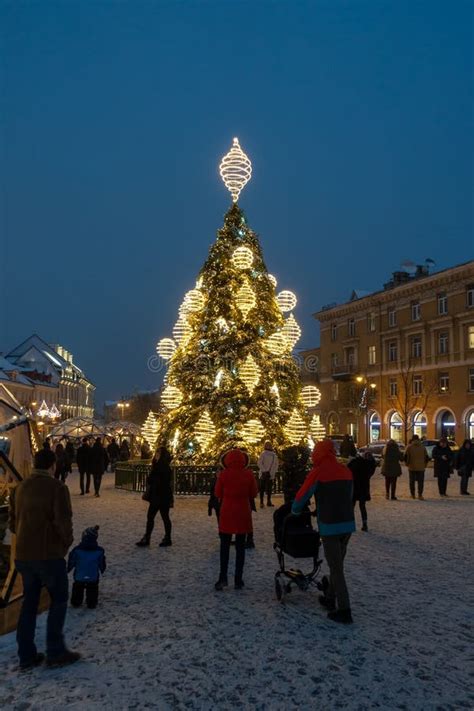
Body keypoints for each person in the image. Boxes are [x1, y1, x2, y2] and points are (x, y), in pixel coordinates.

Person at [8, 447, 80, 669]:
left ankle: (26, 654)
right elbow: (63, 522)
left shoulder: (20, 487)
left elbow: (12, 523)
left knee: (29, 603)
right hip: (48, 554)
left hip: (24, 555)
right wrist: (65, 544)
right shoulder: (57, 488)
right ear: (53, 465)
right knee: (58, 599)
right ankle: (55, 650)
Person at [292, 439, 355, 624]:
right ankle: (329, 597)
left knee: (336, 569)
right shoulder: (345, 470)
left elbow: (303, 495)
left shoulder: (318, 472)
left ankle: (344, 610)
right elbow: (350, 495)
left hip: (330, 525)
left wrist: (295, 511)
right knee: (338, 565)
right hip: (348, 524)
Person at [214, 449, 258, 591]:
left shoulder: (223, 475)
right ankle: (238, 579)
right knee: (240, 548)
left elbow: (217, 493)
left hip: (227, 512)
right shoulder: (248, 474)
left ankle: (222, 578)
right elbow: (254, 493)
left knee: (224, 547)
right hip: (243, 513)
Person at [136, 446, 174, 547]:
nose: (156, 455)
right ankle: (164, 538)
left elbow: (155, 480)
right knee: (159, 517)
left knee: (158, 517)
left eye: (158, 453)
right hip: (160, 496)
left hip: (160, 496)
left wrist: (151, 478)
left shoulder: (161, 467)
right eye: (156, 453)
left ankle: (152, 538)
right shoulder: (161, 466)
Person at [68, 526, 106, 609]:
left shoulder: (77, 550)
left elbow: (72, 561)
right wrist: (102, 569)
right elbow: (101, 562)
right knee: (92, 588)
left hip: (79, 576)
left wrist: (68, 568)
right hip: (92, 576)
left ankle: (76, 602)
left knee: (78, 587)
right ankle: (91, 603)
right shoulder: (99, 551)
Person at [347, 452, 376, 531]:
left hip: (355, 486)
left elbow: (348, 469)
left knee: (352, 506)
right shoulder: (369, 465)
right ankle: (364, 523)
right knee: (362, 506)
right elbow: (371, 471)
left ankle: (350, 523)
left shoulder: (354, 463)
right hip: (364, 487)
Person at [404, 434, 429, 500]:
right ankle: (420, 494)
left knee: (412, 481)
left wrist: (407, 463)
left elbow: (405, 456)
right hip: (421, 467)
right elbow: (426, 457)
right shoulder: (423, 447)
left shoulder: (409, 447)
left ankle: (413, 495)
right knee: (420, 482)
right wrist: (425, 464)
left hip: (412, 467)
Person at [257, 441, 278, 508]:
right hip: (265, 473)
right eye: (267, 445)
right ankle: (262, 502)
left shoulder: (273, 455)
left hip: (267, 474)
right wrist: (266, 471)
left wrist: (269, 472)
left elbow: (275, 465)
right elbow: (260, 463)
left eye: (269, 445)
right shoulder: (265, 454)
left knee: (268, 489)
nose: (268, 446)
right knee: (263, 488)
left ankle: (267, 501)